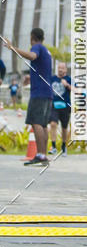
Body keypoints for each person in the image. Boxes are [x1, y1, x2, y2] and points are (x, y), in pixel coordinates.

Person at [3, 28, 53, 165]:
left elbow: (32, 56)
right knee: (42, 124)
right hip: (47, 92)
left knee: (36, 122)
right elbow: (43, 71)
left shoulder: (37, 47)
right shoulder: (46, 51)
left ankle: (41, 155)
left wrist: (12, 48)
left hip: (39, 93)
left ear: (32, 37)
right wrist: (30, 78)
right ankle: (43, 155)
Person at [49, 62, 72, 155]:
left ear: (66, 69)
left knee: (64, 128)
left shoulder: (69, 79)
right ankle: (53, 146)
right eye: (59, 67)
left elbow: (76, 90)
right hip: (54, 105)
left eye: (62, 68)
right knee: (53, 124)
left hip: (65, 106)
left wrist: (67, 85)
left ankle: (63, 146)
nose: (60, 69)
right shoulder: (52, 78)